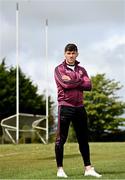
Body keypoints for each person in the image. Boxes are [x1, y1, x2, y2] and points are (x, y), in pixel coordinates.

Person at [54, 43, 102, 178]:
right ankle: (60, 169)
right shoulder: (59, 69)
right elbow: (65, 84)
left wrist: (74, 80)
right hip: (65, 106)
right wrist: (79, 81)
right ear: (65, 54)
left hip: (80, 107)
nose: (71, 55)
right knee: (61, 139)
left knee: (83, 139)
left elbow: (89, 85)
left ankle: (88, 169)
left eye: (73, 53)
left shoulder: (82, 69)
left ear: (77, 54)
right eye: (68, 53)